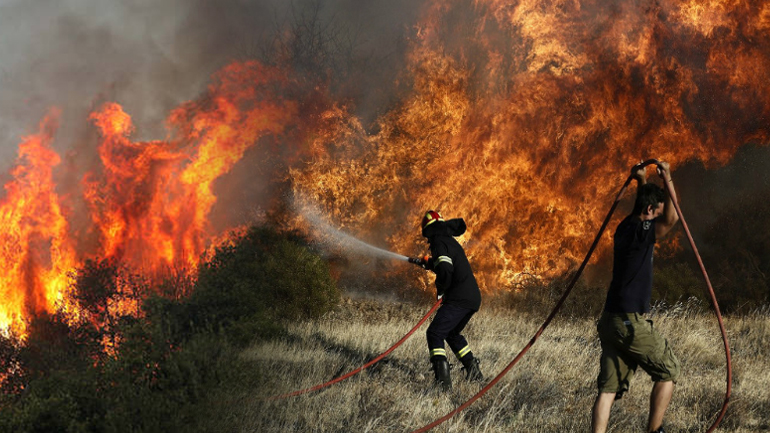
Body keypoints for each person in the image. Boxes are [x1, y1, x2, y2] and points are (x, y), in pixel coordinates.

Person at [591, 161, 681, 433]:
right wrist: (668, 179)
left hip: (609, 321)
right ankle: (654, 432)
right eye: (657, 212)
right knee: (669, 372)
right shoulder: (644, 232)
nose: (658, 218)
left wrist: (641, 180)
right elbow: (672, 219)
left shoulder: (623, 228)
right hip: (630, 322)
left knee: (607, 390)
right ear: (651, 211)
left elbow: (641, 208)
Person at [419, 210, 483, 391]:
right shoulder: (448, 241)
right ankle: (474, 372)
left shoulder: (439, 241)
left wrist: (442, 289)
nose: (428, 240)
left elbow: (446, 269)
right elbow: (444, 263)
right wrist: (429, 263)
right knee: (452, 333)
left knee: (435, 333)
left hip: (459, 297)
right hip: (471, 298)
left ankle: (442, 384)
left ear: (430, 230)